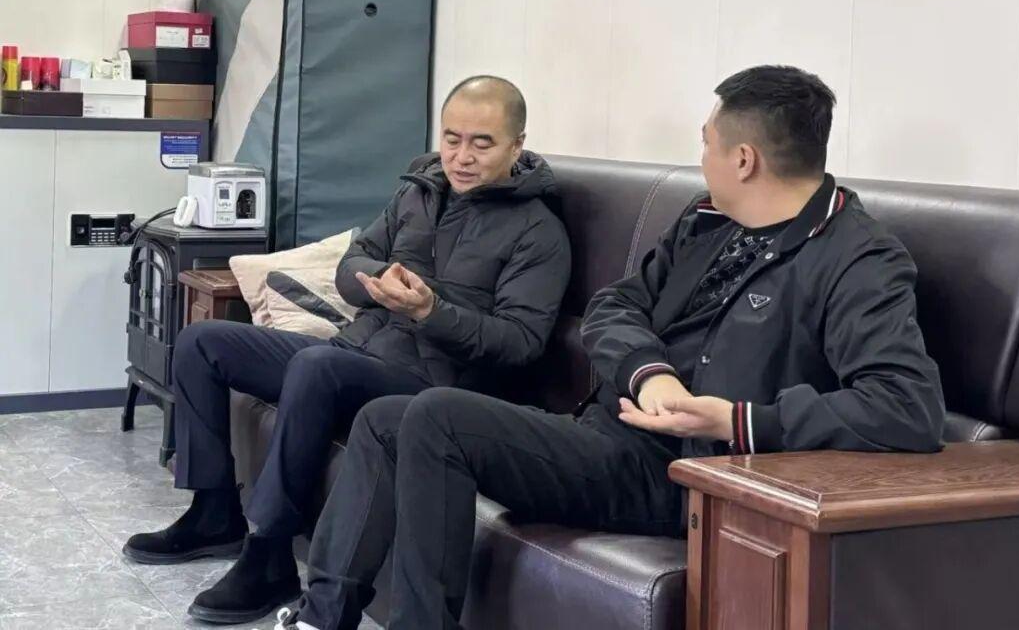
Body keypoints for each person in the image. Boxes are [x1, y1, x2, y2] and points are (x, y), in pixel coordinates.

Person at [270, 65, 946, 630]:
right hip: (607, 437)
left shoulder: (859, 259)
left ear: (744, 159)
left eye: (707, 144)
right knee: (386, 420)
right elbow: (615, 306)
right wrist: (650, 374)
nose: (702, 157)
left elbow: (906, 405)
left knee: (437, 416)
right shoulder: (708, 222)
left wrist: (734, 419)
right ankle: (321, 617)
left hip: (694, 477)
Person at [121, 75, 572, 625]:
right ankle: (214, 513)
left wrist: (431, 312)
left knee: (318, 365)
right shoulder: (418, 191)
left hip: (436, 384)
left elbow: (521, 343)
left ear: (517, 146)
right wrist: (376, 282)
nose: (462, 157)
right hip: (358, 349)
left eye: (483, 143)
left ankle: (269, 552)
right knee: (202, 343)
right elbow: (351, 263)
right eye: (452, 139)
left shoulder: (538, 231)